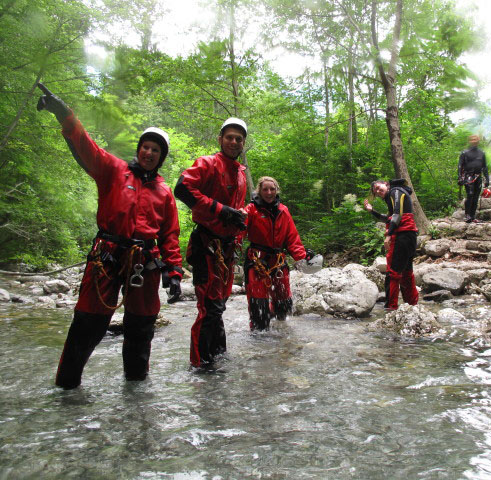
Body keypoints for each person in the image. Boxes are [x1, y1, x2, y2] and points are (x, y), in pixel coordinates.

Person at [36, 83, 183, 389]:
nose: (149, 152)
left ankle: (136, 386)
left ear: (161, 157)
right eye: (146, 147)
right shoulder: (114, 171)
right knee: (89, 321)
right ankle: (66, 387)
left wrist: (174, 271)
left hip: (144, 261)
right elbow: (86, 146)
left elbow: (169, 234)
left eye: (156, 150)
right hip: (107, 254)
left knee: (141, 325)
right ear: (139, 149)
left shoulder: (164, 192)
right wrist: (64, 113)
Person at [174, 117, 248, 369]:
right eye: (230, 137)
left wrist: (237, 226)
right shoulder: (207, 163)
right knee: (209, 307)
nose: (234, 141)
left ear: (243, 144)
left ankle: (218, 355)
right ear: (220, 139)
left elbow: (234, 211)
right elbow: (182, 188)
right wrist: (220, 209)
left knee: (219, 305)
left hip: (226, 249)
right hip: (207, 245)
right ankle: (201, 364)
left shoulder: (239, 172)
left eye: (239, 139)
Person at [242, 176, 314, 330]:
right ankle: (260, 336)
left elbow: (292, 237)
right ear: (259, 191)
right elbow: (239, 232)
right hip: (257, 261)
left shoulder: (283, 210)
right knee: (258, 302)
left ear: (277, 190)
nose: (269, 192)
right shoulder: (251, 210)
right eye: (265, 189)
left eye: (272, 189)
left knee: (284, 302)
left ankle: (282, 333)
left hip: (278, 261)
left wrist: (302, 258)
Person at [363, 179, 419, 311]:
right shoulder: (394, 195)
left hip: (403, 236)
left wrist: (389, 235)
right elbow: (388, 218)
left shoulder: (396, 191)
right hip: (410, 236)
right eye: (375, 191)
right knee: (406, 272)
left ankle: (390, 308)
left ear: (386, 184)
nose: (377, 191)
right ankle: (412, 305)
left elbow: (397, 215)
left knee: (393, 273)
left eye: (378, 187)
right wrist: (372, 211)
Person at [458, 134, 490, 223]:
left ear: (478, 140)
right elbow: (460, 166)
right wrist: (460, 177)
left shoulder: (482, 153)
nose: (474, 141)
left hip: (478, 176)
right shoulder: (464, 153)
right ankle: (467, 215)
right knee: (470, 194)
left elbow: (484, 166)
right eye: (472, 139)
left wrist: (487, 179)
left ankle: (472, 216)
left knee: (476, 197)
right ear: (469, 141)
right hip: (468, 177)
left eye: (475, 139)